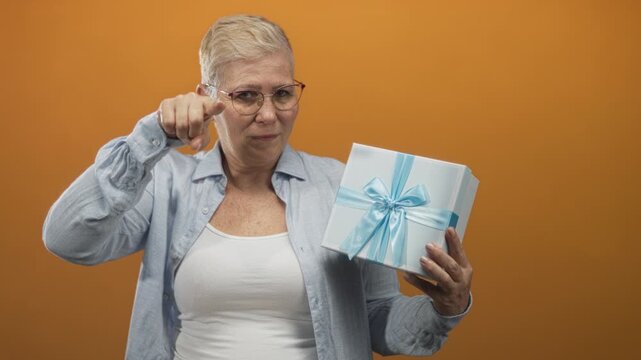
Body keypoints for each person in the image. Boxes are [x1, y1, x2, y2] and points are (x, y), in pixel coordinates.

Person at [43, 14, 473, 360]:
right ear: (207, 98)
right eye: (246, 96)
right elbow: (68, 240)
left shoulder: (345, 185)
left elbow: (378, 321)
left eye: (283, 93)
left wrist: (445, 308)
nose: (269, 115)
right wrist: (150, 137)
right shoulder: (166, 184)